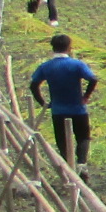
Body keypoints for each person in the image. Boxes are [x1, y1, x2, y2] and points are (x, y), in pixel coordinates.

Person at [29, 33, 98, 171]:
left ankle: (68, 166)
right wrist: (86, 96)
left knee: (62, 140)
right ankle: (82, 163)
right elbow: (93, 79)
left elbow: (33, 85)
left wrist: (42, 102)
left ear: (53, 48)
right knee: (83, 137)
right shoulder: (77, 64)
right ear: (69, 47)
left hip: (58, 110)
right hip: (78, 109)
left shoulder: (46, 66)